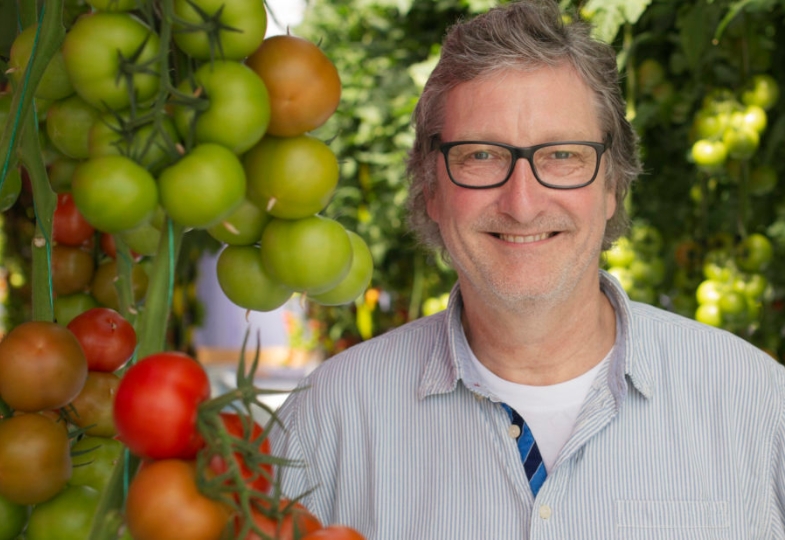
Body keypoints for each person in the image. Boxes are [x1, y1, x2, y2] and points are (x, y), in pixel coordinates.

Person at [269, 1, 785, 538]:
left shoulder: (760, 407)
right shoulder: (328, 420)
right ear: (430, 190)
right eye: (481, 156)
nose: (522, 203)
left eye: (563, 156)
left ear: (613, 185)